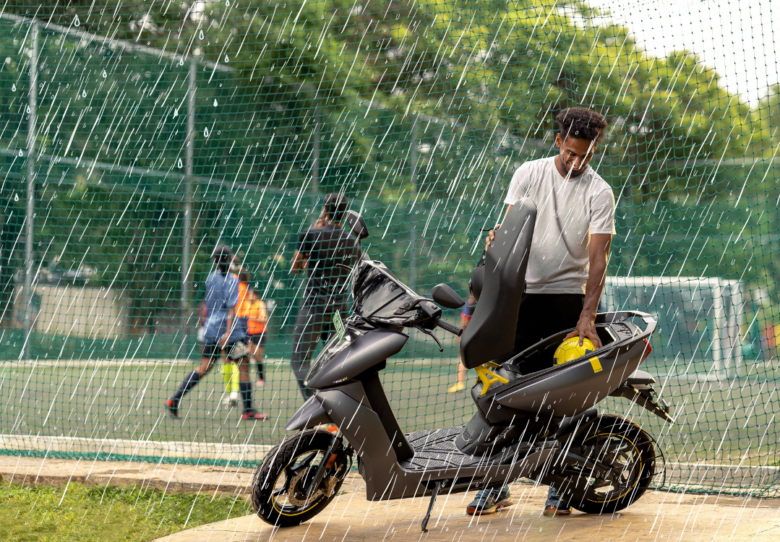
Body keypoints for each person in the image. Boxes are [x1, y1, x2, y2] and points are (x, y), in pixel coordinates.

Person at [465, 107, 614, 517]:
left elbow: (598, 259)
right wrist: (495, 244)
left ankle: (564, 485)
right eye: (570, 153)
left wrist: (586, 317)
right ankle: (496, 484)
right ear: (558, 142)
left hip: (567, 301)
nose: (577, 162)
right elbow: (509, 234)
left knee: (569, 397)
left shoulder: (599, 191)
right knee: (503, 392)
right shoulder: (528, 174)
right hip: (521, 297)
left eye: (585, 155)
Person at [165, 246, 268, 421]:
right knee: (243, 365)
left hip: (210, 329)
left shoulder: (210, 278)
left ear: (214, 261)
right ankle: (249, 410)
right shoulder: (233, 280)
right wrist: (228, 333)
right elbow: (230, 310)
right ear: (229, 259)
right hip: (230, 331)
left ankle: (174, 399)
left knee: (204, 367)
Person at [290, 193, 361, 400]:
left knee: (300, 360)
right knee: (336, 360)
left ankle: (317, 405)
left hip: (314, 308)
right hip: (339, 312)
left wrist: (315, 233)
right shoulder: (352, 241)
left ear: (324, 210)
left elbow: (296, 268)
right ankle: (339, 405)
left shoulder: (310, 234)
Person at [447, 294, 476, 393]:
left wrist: (458, 334)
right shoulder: (484, 303)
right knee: (484, 358)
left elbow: (465, 321)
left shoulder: (469, 304)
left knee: (462, 359)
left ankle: (460, 383)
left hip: (470, 335)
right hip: (483, 335)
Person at [246, 286, 269, 387]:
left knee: (258, 357)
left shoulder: (260, 303)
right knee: (246, 355)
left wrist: (250, 317)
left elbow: (264, 318)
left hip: (259, 333)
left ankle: (261, 378)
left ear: (255, 295)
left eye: (250, 294)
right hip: (248, 333)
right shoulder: (245, 304)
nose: (248, 296)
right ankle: (245, 378)